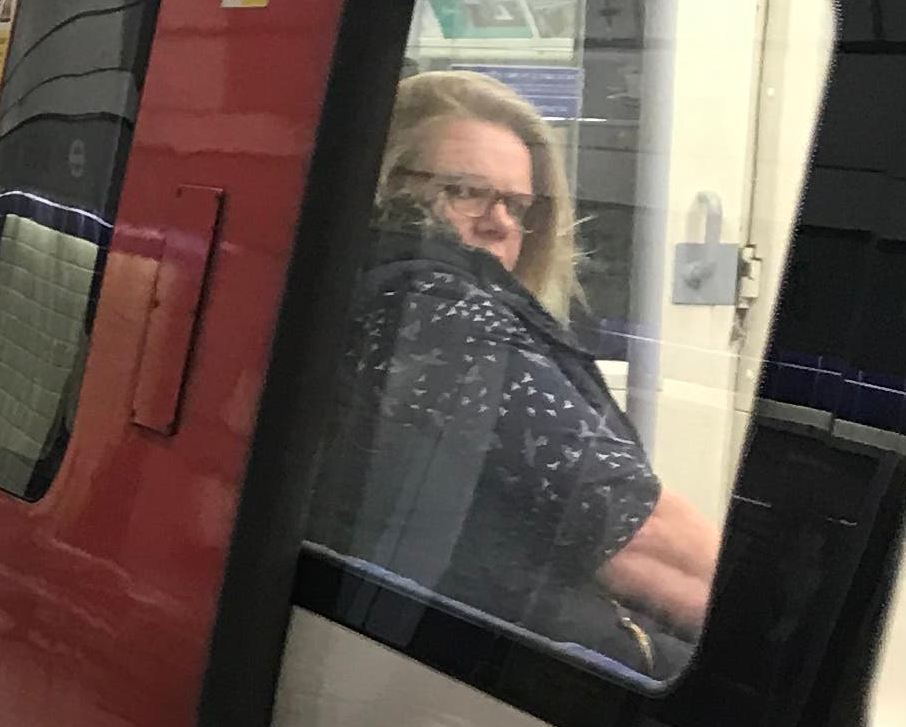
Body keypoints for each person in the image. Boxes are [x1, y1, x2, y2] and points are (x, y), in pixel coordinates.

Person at [306, 69, 721, 673]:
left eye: (517, 204)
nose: (499, 223)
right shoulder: (436, 311)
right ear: (385, 186)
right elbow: (632, 531)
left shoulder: (358, 292)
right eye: (465, 192)